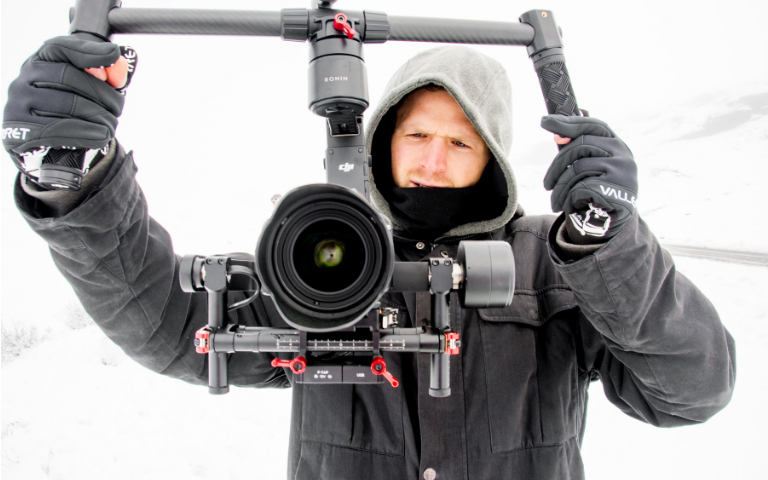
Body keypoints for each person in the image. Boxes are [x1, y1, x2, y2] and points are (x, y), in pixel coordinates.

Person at [3, 37, 735, 480]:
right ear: (384, 139)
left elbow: (692, 388)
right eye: (417, 135)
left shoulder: (552, 261)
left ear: (491, 156)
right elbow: (170, 324)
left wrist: (611, 241)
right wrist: (76, 180)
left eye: (460, 141)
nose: (433, 161)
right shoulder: (328, 256)